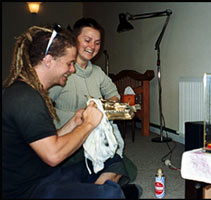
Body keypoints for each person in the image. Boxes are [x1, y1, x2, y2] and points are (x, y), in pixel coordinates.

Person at [2, 24, 139, 199]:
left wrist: (74, 122)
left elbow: (46, 141)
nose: (72, 69)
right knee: (109, 194)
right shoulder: (25, 98)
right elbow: (54, 155)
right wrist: (89, 124)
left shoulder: (30, 92)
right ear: (49, 60)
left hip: (43, 173)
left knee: (111, 162)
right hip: (28, 190)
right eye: (69, 63)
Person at [48, 18, 137, 187]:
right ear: (75, 40)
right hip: (69, 140)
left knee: (125, 169)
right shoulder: (62, 71)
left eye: (97, 43)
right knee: (114, 169)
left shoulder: (97, 72)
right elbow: (43, 102)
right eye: (87, 40)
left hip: (94, 137)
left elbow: (113, 95)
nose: (92, 47)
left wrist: (100, 107)